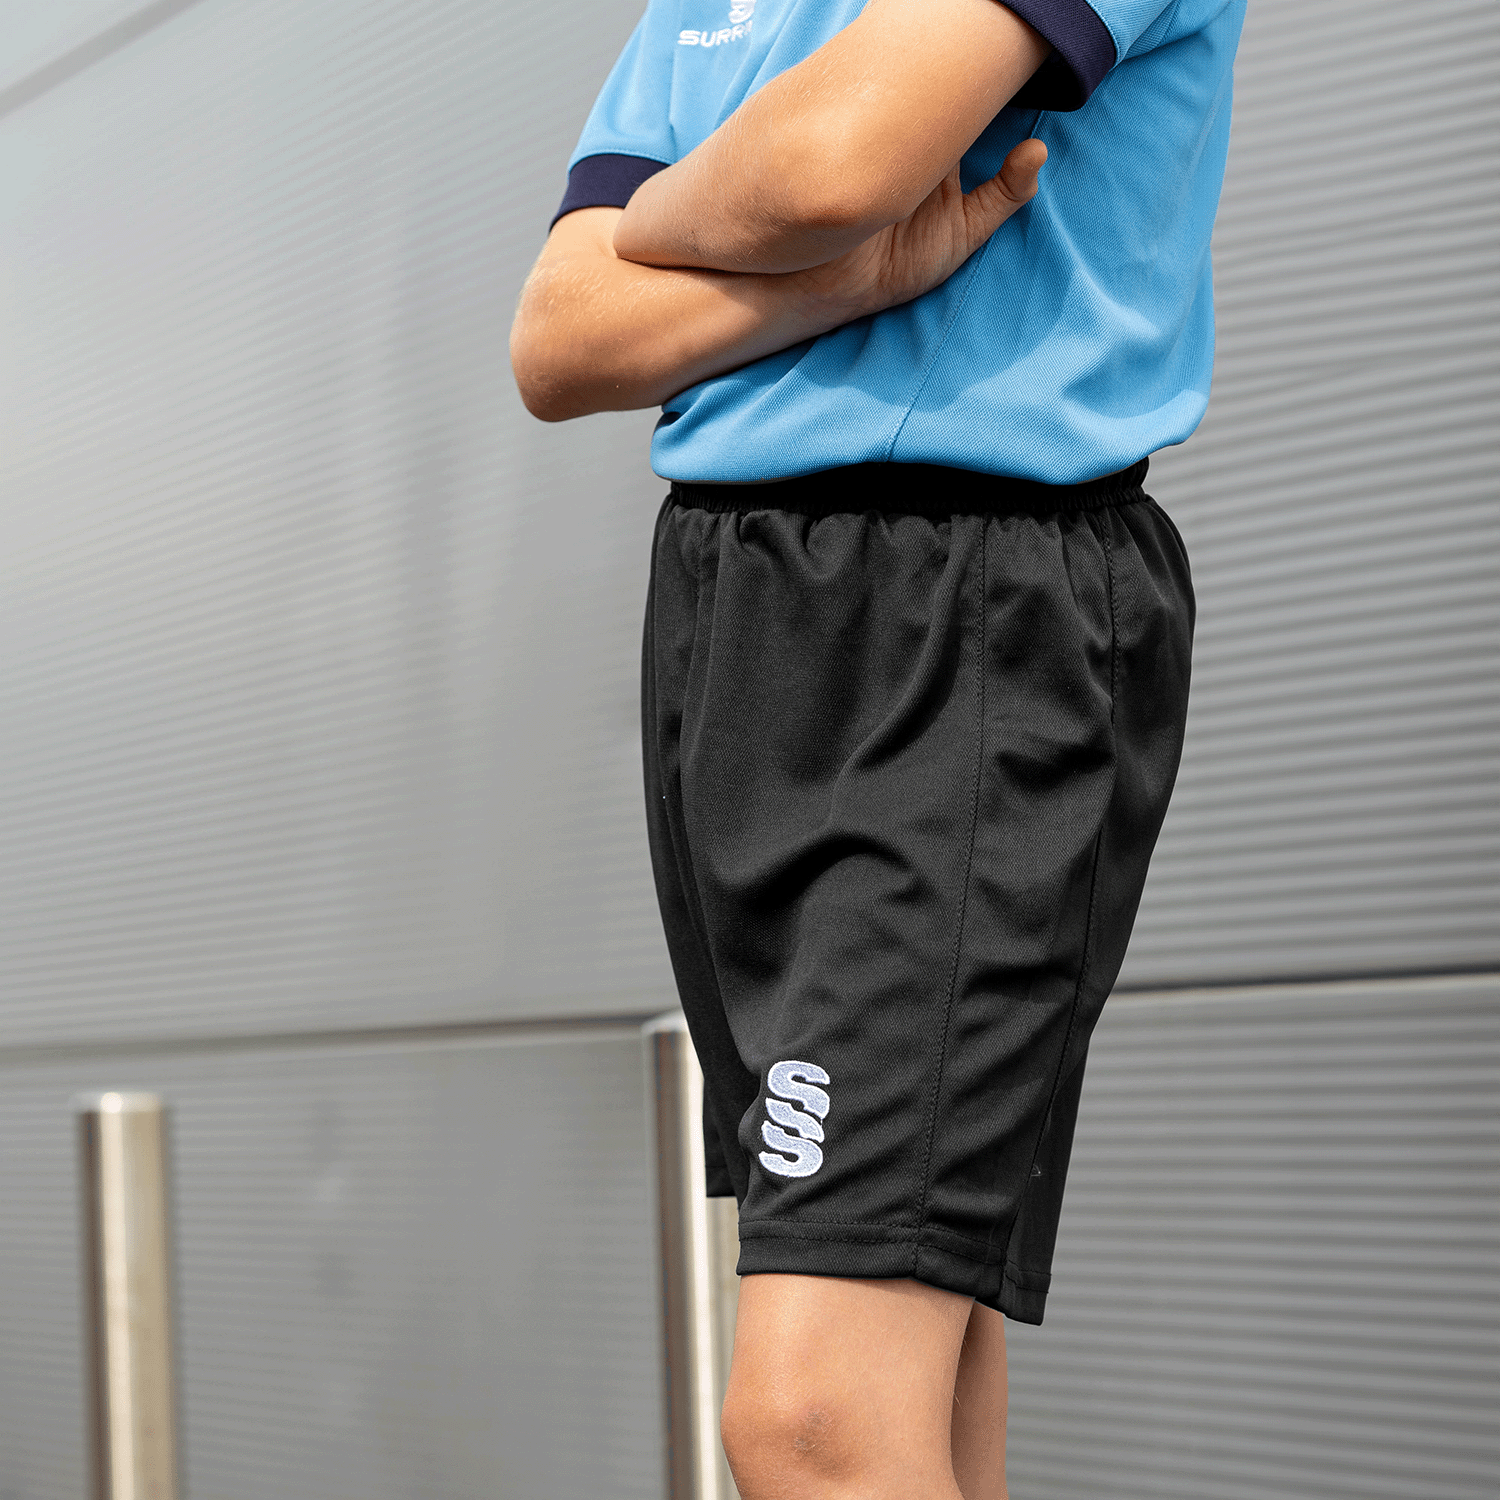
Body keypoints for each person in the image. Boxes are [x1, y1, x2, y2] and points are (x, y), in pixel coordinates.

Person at [511, 0, 1244, 1492]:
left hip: (965, 608)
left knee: (815, 1420)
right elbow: (560, 338)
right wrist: (842, 279)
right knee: (912, 1335)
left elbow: (827, 165)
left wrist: (685, 222)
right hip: (738, 612)